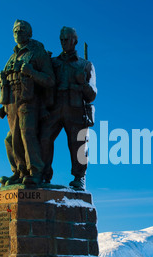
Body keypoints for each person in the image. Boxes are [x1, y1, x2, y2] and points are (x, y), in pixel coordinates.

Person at [0, 20, 55, 186]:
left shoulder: (37, 53)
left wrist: (31, 71)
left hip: (29, 100)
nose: (18, 33)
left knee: (27, 135)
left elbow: (50, 80)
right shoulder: (13, 56)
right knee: (10, 139)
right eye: (15, 30)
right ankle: (19, 171)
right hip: (11, 102)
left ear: (29, 33)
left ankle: (35, 171)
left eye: (22, 30)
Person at [40, 26, 97, 190]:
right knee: (44, 138)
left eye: (67, 39)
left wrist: (83, 83)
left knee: (77, 144)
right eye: (62, 39)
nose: (64, 42)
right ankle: (43, 175)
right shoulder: (53, 63)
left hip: (76, 109)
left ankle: (79, 177)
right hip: (55, 106)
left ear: (75, 41)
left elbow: (92, 95)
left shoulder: (85, 65)